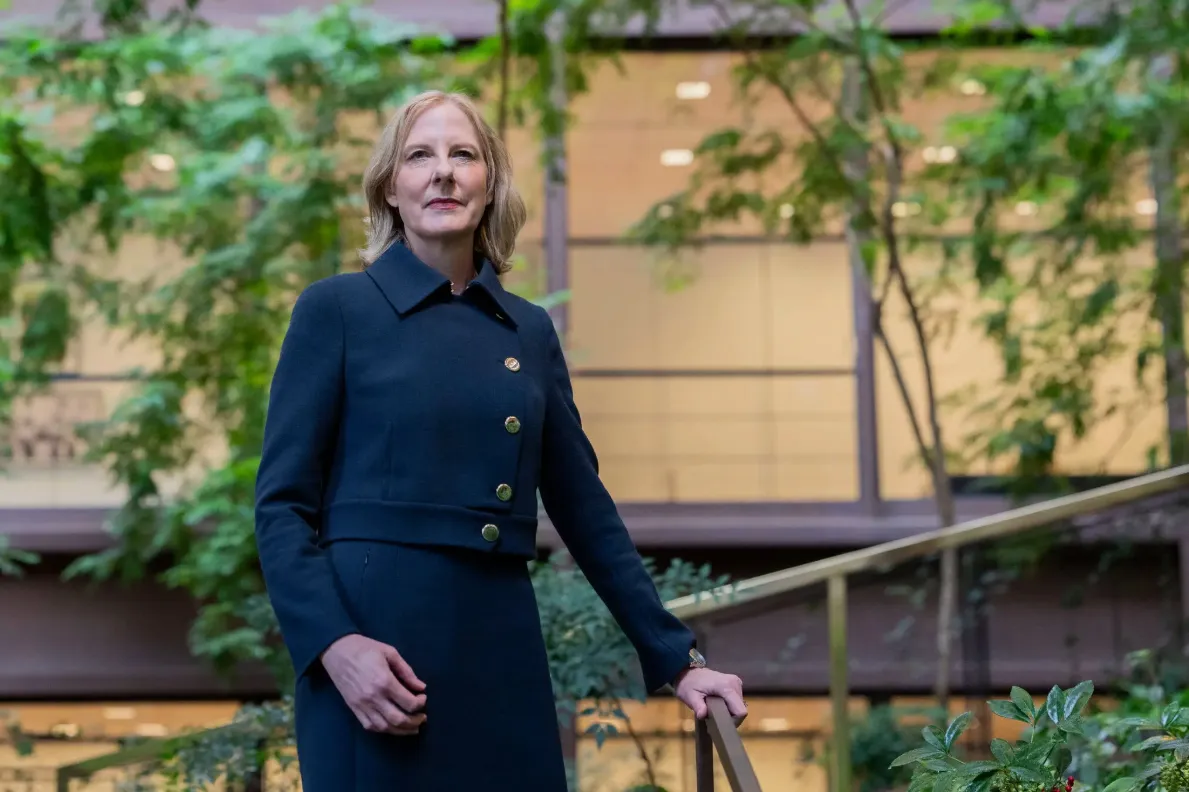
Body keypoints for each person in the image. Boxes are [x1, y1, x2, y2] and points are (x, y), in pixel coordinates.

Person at [254, 89, 747, 791]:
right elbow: (280, 508)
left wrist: (679, 661)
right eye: (419, 156)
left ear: (490, 186)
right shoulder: (334, 310)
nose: (443, 172)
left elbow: (584, 510)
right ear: (390, 187)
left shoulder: (527, 331)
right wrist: (334, 646)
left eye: (464, 155)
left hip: (498, 647)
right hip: (376, 661)